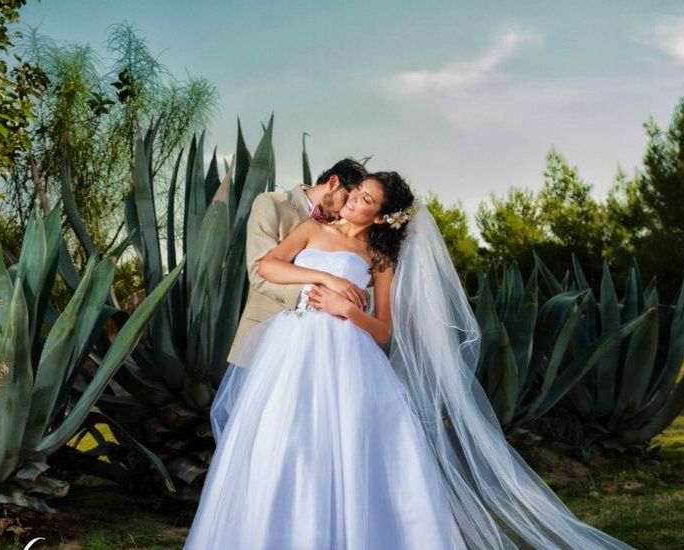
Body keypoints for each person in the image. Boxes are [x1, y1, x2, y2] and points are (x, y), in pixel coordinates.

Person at [185, 171, 635, 549]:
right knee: (285, 443)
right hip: (294, 348)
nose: (351, 200)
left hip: (347, 358)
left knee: (348, 449)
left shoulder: (379, 258)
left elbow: (384, 329)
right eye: (356, 191)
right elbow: (268, 267)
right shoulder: (312, 228)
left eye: (364, 199)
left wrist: (348, 311)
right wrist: (321, 277)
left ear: (379, 215)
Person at [211, 158, 368, 443]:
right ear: (333, 183)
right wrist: (316, 290)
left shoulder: (343, 230)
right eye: (348, 197)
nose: (348, 208)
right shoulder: (272, 204)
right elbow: (259, 272)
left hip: (319, 348)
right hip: (264, 336)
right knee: (246, 432)